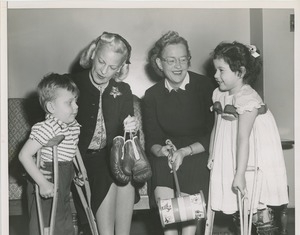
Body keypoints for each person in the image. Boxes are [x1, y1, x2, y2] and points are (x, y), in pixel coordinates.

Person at [207, 41, 289, 233]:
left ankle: (263, 220)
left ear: (240, 72)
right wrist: (212, 154)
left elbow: (243, 138)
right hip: (231, 151)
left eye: (221, 70)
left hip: (252, 154)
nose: (215, 76)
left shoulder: (247, 99)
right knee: (239, 206)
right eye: (215, 70)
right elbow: (216, 126)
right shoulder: (220, 94)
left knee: (255, 199)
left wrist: (239, 173)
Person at [143, 31, 215, 235]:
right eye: (171, 60)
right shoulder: (152, 95)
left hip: (198, 151)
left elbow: (213, 133)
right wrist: (163, 151)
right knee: (160, 166)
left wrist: (184, 152)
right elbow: (152, 140)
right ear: (159, 62)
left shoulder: (206, 87)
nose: (178, 66)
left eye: (183, 59)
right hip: (166, 155)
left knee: (187, 219)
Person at [70, 32, 139, 235]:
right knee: (109, 171)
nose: (104, 70)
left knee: (126, 173)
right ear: (93, 54)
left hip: (111, 157)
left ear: (121, 68)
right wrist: (72, 168)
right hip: (80, 161)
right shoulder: (71, 84)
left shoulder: (123, 90)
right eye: (101, 62)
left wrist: (131, 130)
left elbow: (130, 143)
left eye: (113, 67)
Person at [19, 73, 81, 235]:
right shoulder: (47, 127)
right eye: (69, 103)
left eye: (76, 101)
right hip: (48, 177)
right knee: (45, 224)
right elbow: (24, 155)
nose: (76, 106)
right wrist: (42, 183)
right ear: (51, 107)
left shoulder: (71, 125)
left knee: (62, 220)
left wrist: (78, 173)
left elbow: (70, 152)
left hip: (64, 176)